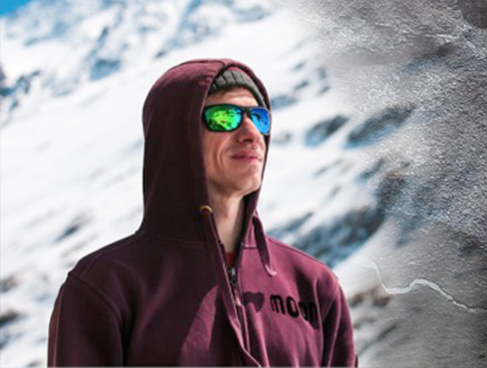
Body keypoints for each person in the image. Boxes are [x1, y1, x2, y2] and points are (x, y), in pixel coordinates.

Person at [47, 59, 357, 366]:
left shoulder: (314, 286)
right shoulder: (107, 286)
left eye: (260, 118)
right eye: (225, 117)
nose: (251, 133)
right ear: (177, 138)